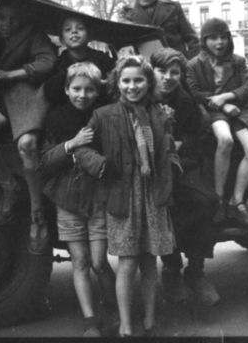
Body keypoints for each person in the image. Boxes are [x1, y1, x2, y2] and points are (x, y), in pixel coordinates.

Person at [74, 56, 177, 336]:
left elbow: (169, 150)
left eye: (139, 80)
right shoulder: (104, 115)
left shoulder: (160, 113)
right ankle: (127, 328)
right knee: (128, 262)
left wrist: (172, 164)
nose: (133, 86)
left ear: (148, 82)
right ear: (117, 83)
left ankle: (149, 322)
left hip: (153, 195)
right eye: (126, 81)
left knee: (149, 260)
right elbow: (81, 150)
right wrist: (102, 165)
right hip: (123, 195)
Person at [0, 0, 57, 254]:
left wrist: (10, 74)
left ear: (21, 18)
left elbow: (48, 62)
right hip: (3, 98)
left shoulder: (33, 33)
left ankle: (37, 215)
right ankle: (9, 185)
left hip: (29, 94)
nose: (7, 24)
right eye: (1, 18)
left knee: (27, 145)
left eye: (12, 18)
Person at [40, 62, 117, 337]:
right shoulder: (56, 118)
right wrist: (71, 144)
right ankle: (90, 321)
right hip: (68, 199)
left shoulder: (104, 116)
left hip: (98, 198)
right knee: (80, 261)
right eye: (76, 89)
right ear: (66, 89)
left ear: (98, 92)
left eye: (89, 89)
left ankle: (113, 306)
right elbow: (45, 161)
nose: (82, 95)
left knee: (99, 261)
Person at [185, 18, 248, 226]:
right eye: (213, 38)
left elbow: (247, 87)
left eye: (223, 37)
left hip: (238, 112)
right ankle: (218, 199)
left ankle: (238, 202)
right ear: (204, 41)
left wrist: (226, 98)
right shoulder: (194, 65)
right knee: (225, 140)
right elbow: (194, 93)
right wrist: (222, 105)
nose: (219, 43)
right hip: (212, 113)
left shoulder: (238, 61)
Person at [149, 48, 221, 307]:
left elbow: (196, 135)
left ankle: (196, 270)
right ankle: (171, 269)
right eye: (161, 71)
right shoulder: (143, 95)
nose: (167, 77)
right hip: (151, 168)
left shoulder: (185, 101)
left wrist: (181, 145)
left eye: (174, 72)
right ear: (152, 71)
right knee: (166, 206)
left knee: (204, 200)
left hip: (182, 163)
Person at [119, 0, 199, 59]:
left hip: (176, 64)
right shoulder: (126, 15)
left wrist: (191, 62)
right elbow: (122, 44)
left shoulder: (173, 8)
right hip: (144, 67)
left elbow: (192, 39)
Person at [43, 14, 115, 107]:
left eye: (80, 28)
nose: (74, 31)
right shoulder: (59, 64)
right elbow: (50, 93)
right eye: (68, 29)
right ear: (62, 39)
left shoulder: (102, 59)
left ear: (90, 35)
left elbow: (113, 85)